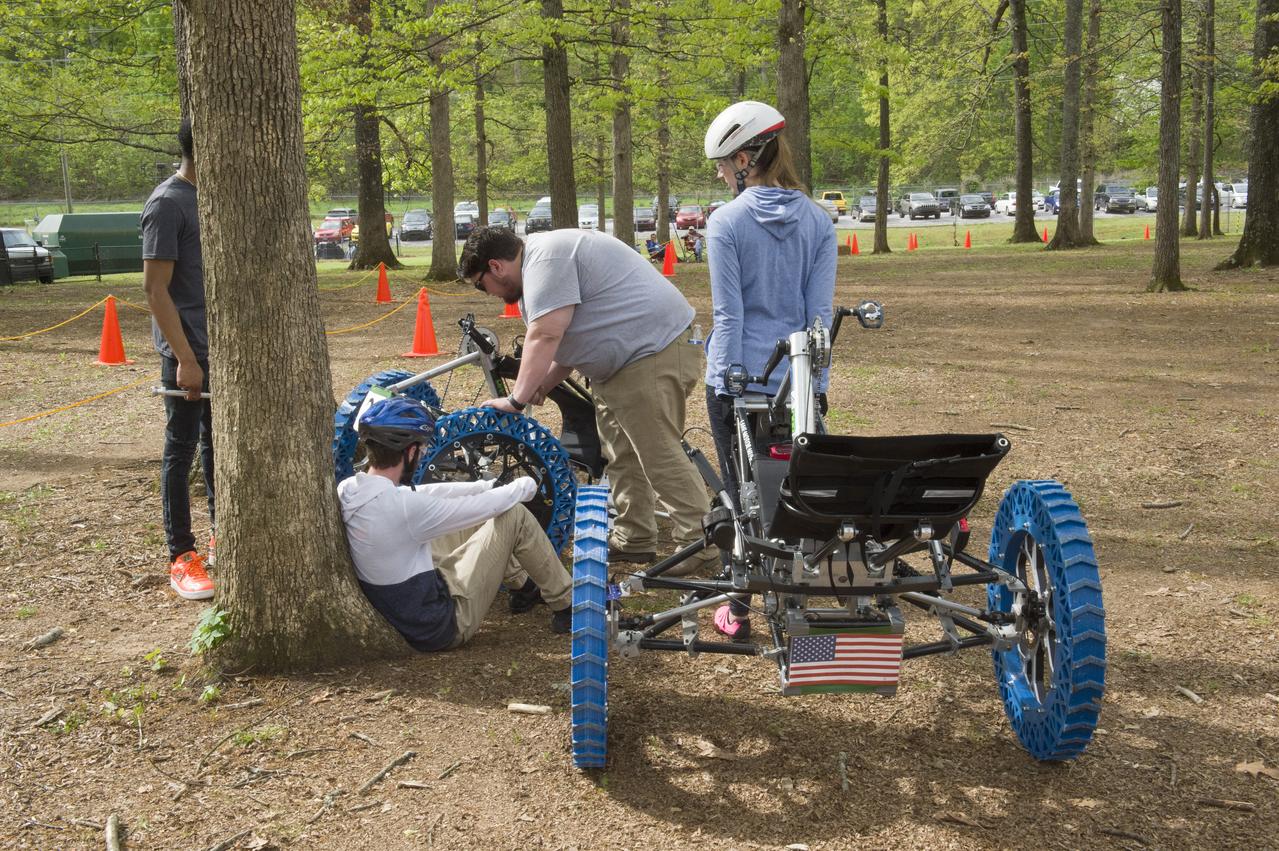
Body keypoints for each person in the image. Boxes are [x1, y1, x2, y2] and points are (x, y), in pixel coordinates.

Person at [458, 226, 717, 575]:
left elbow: (545, 334)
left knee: (657, 451)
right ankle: (635, 537)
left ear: (496, 266)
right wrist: (541, 385)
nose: (485, 292)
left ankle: (701, 544)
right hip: (624, 363)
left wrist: (517, 400)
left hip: (651, 352)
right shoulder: (541, 264)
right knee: (621, 453)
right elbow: (567, 345)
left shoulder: (546, 258)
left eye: (480, 283)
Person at [702, 100, 836, 640]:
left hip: (740, 377)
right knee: (803, 493)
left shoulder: (726, 223)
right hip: (797, 380)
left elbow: (729, 315)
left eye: (720, 163)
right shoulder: (819, 221)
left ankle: (738, 606)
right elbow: (819, 318)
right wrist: (816, 387)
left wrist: (729, 380)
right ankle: (815, 600)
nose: (719, 173)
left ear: (743, 159)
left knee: (741, 492)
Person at [337, 397, 574, 649]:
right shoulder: (403, 510)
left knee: (476, 520)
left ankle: (524, 588)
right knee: (512, 514)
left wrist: (481, 486)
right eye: (423, 448)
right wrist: (522, 487)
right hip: (442, 624)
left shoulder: (351, 489)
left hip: (408, 609)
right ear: (410, 451)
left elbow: (426, 495)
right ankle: (568, 604)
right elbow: (487, 507)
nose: (423, 454)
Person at [142, 118, 215, 601]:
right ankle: (181, 555)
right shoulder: (168, 203)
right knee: (181, 448)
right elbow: (155, 290)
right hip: (186, 353)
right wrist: (185, 358)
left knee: (218, 445)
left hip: (221, 349)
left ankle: (220, 534)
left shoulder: (210, 198)